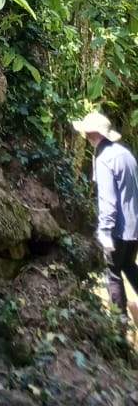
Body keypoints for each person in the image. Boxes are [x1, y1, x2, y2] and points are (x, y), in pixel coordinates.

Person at [73, 109, 138, 314]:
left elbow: (108, 200)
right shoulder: (125, 154)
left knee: (113, 273)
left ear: (91, 134)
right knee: (128, 264)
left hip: (118, 229)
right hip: (134, 227)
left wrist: (105, 231)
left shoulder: (104, 159)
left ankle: (118, 324)